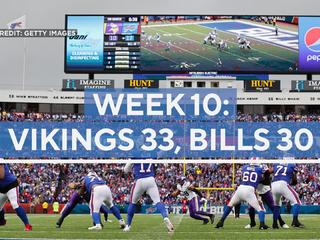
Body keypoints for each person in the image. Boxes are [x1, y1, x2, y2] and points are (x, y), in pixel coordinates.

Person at [123, 163, 174, 232]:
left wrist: (132, 167)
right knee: (157, 201)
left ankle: (127, 225)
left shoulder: (134, 156)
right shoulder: (151, 155)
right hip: (150, 179)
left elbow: (125, 170)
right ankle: (165, 217)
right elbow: (166, 164)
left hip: (139, 180)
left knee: (132, 202)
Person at [215, 164, 269, 230]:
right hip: (249, 190)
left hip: (240, 189)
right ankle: (262, 224)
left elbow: (243, 174)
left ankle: (221, 222)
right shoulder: (260, 169)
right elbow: (265, 173)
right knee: (260, 209)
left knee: (230, 205)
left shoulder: (245, 167)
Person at [0, 164, 32, 231]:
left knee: (15, 204)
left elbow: (1, 175)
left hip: (10, 185)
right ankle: (2, 222)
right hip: (1, 188)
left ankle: (27, 225)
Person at [271, 163, 304, 228]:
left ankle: (274, 223)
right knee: (296, 201)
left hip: (273, 184)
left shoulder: (276, 164)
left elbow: (270, 171)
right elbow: (294, 180)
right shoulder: (292, 165)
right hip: (283, 183)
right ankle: (295, 221)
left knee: (276, 205)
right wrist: (291, 181)